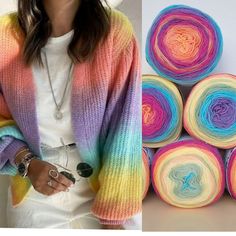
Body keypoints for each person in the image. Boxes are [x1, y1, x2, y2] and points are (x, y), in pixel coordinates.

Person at [0, 0, 142, 229]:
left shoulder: (115, 31)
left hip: (106, 184)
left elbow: (125, 130)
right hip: (33, 191)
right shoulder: (5, 36)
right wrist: (26, 161)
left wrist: (114, 216)